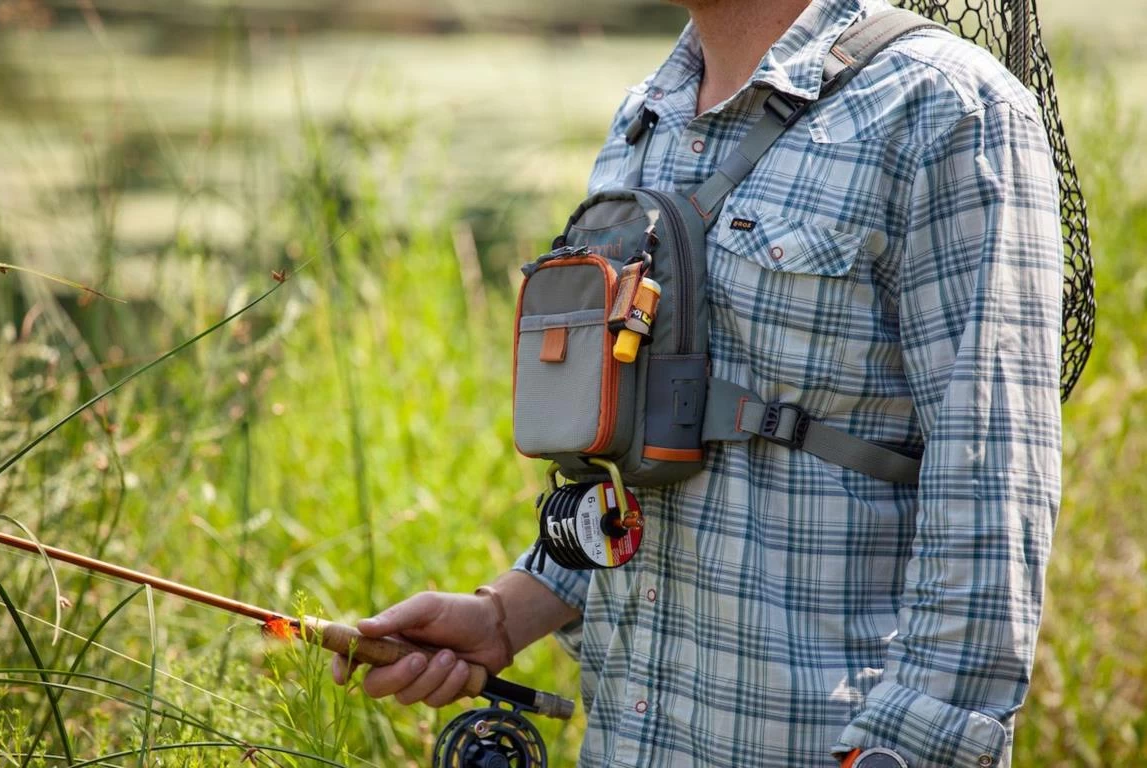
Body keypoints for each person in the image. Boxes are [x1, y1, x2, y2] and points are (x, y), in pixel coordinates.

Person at [332, 0, 1064, 764]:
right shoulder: (644, 116)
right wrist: (505, 616)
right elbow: (641, 458)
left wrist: (908, 748)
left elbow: (992, 482)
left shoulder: (947, 107)